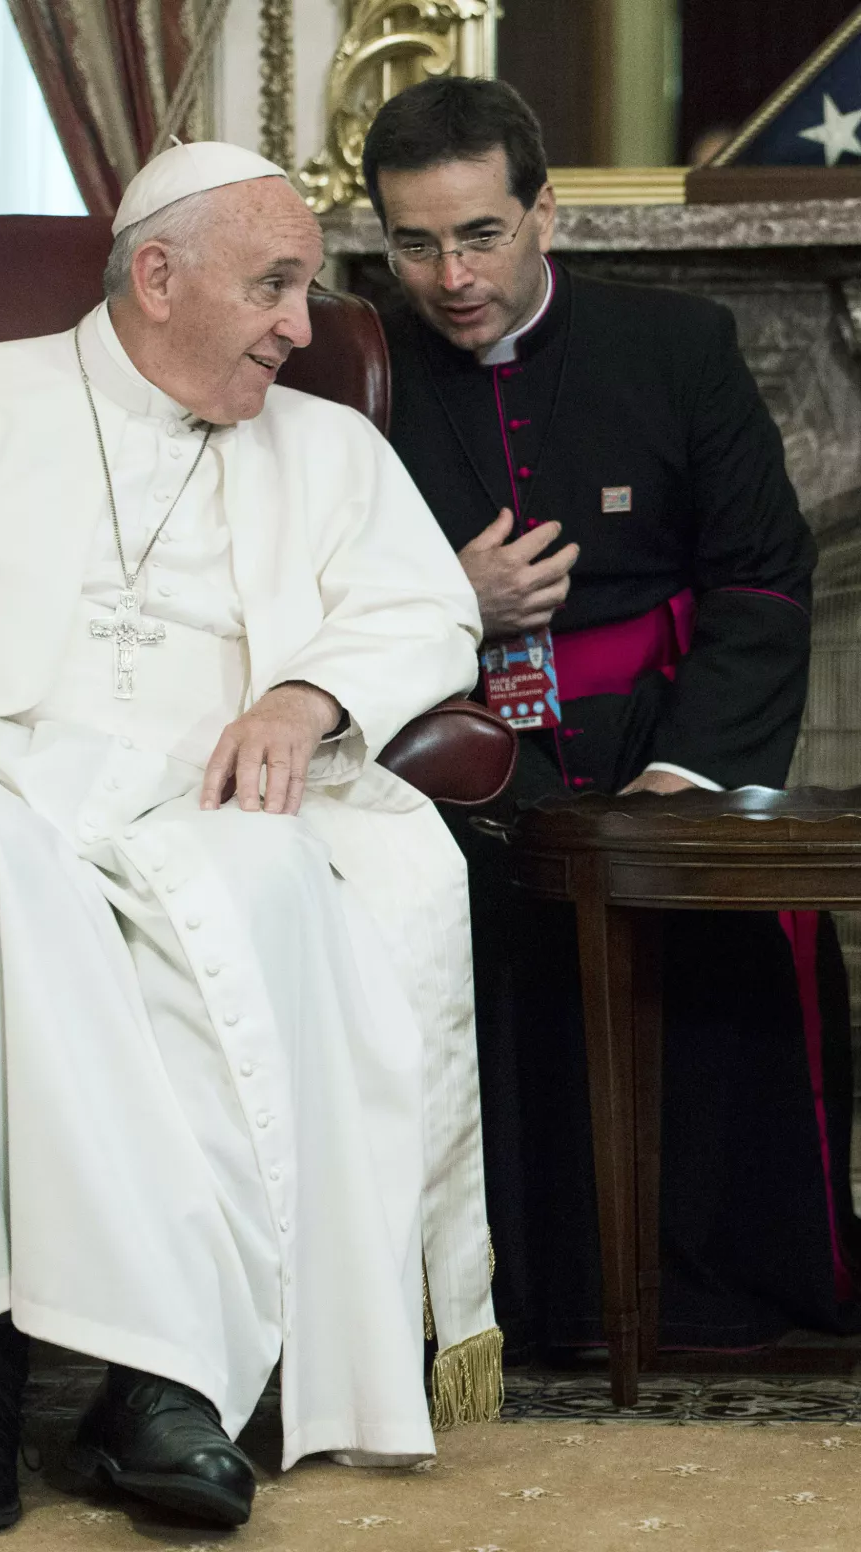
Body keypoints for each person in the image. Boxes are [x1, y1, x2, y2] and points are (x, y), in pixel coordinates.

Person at [0, 141, 501, 1535]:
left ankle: (160, 1379)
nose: (302, 330)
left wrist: (305, 699)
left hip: (196, 792)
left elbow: (426, 613)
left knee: (264, 878)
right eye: (275, 287)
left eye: (306, 292)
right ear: (158, 275)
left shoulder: (328, 445)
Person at [362, 77, 859, 1360]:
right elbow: (307, 588)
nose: (453, 276)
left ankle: (735, 1293)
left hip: (663, 743)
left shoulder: (677, 343)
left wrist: (690, 774)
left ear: (545, 213)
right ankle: (520, 1309)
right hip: (459, 768)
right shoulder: (351, 371)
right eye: (416, 244)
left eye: (480, 234)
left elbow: (760, 574)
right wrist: (449, 601)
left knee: (732, 945)